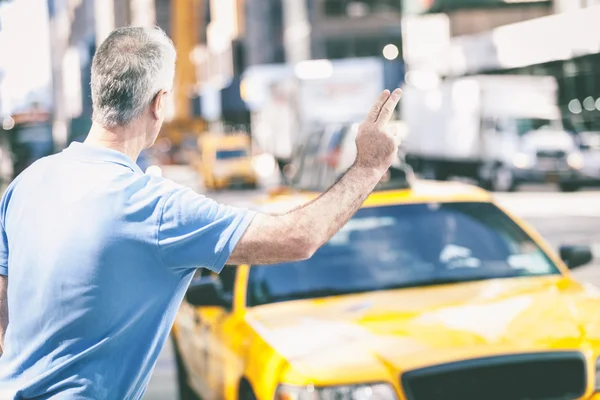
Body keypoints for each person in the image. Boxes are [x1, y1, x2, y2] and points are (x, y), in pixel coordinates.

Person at [0, 27, 402, 399]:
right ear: (159, 104)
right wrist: (369, 166)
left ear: (97, 93)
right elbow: (298, 237)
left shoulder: (26, 185)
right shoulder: (153, 208)